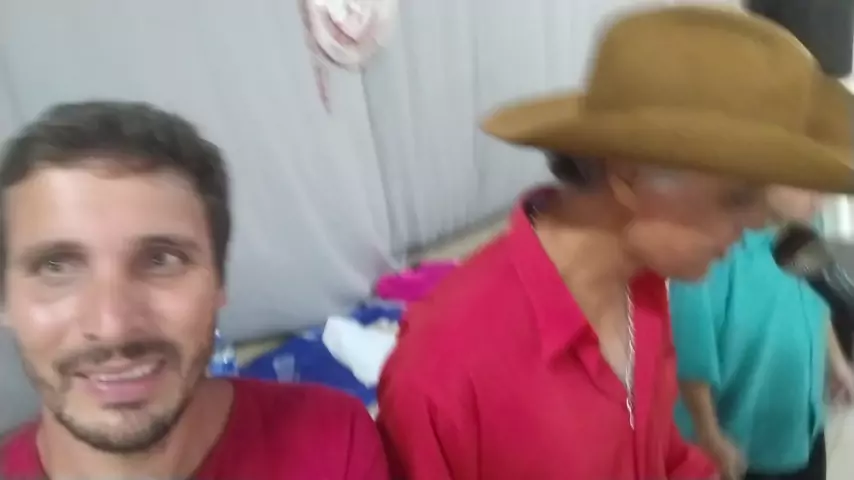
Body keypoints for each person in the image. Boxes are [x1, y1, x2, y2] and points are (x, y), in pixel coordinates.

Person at [376, 5, 854, 480]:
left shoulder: (643, 293)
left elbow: (659, 452)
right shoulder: (445, 370)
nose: (757, 224)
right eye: (738, 198)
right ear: (630, 175)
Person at [0, 101, 389, 480]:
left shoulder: (333, 442)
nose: (113, 326)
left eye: (161, 260)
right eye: (56, 266)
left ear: (220, 281)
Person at [671, 186, 854, 480]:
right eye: (807, 185)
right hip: (742, 448)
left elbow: (816, 300)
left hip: (805, 431)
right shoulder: (719, 242)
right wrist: (709, 433)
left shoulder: (807, 228)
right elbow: (692, 350)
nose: (821, 199)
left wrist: (837, 363)